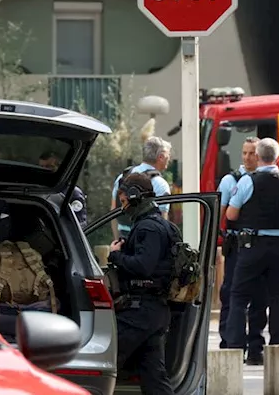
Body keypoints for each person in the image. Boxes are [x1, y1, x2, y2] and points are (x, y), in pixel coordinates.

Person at [222, 137, 279, 365]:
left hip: (252, 247)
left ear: (258, 157)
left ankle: (235, 347)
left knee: (239, 297)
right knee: (277, 298)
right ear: (277, 158)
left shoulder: (247, 182)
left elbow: (230, 214)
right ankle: (278, 346)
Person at [108, 172, 179, 395]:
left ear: (134, 196)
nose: (123, 206)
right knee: (154, 378)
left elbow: (143, 266)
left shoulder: (148, 228)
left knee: (104, 360)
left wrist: (115, 256)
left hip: (140, 312)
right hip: (154, 310)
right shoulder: (161, 225)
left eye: (123, 200)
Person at [217, 137, 259, 349]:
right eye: (244, 153)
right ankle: (229, 340)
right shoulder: (230, 180)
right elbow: (220, 214)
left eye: (252, 153)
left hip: (258, 245)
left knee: (256, 296)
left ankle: (253, 343)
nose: (247, 157)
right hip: (236, 244)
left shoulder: (263, 179)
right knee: (230, 292)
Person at [111, 136, 172, 239]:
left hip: (123, 238)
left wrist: (117, 241)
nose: (169, 158)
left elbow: (113, 211)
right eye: (168, 154)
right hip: (146, 239)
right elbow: (162, 221)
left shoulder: (123, 177)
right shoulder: (161, 184)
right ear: (160, 157)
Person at [39, 150, 88, 227]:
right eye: (41, 167)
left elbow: (80, 224)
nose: (45, 170)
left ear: (59, 168)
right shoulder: (35, 190)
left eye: (49, 167)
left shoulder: (72, 193)